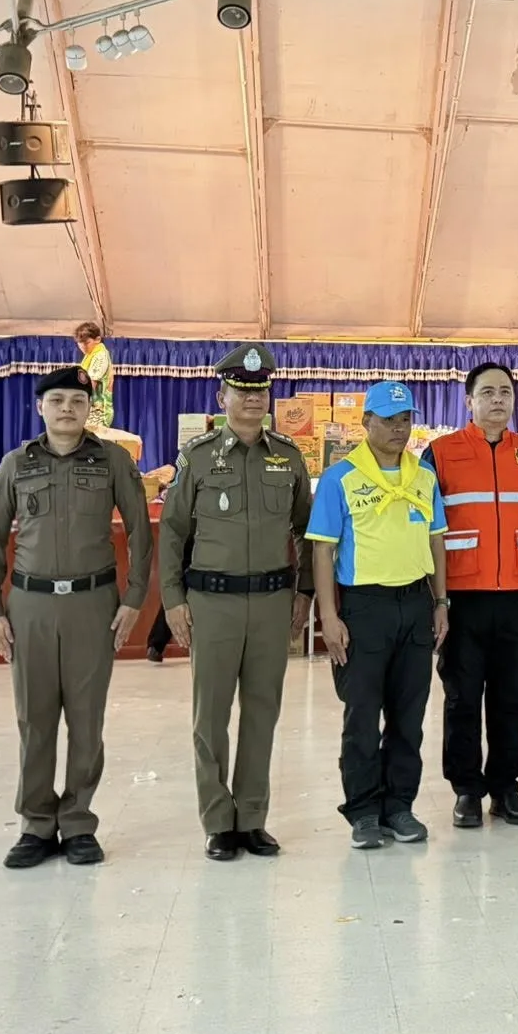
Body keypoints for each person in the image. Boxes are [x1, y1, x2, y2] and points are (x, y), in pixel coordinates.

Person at [0, 364, 153, 869]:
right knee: (34, 720)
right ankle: (36, 825)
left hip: (92, 605)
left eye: (77, 402)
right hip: (29, 605)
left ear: (89, 409)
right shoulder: (16, 464)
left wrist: (133, 598)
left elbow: (140, 532)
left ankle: (77, 822)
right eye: (57, 401)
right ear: (41, 408)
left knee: (86, 720)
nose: (67, 409)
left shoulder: (113, 461)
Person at [157, 343, 313, 862]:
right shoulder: (199, 457)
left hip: (271, 603)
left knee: (263, 712)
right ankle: (217, 821)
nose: (253, 399)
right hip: (213, 603)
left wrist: (304, 592)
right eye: (242, 390)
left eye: (261, 390)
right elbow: (173, 532)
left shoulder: (288, 457)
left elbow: (306, 530)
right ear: (221, 397)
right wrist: (173, 599)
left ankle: (251, 818)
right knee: (210, 717)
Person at [307, 381, 451, 850]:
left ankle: (399, 806)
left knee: (409, 716)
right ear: (366, 422)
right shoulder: (341, 478)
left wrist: (441, 602)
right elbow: (323, 551)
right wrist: (329, 616)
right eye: (388, 420)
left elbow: (436, 540)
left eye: (405, 419)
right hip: (363, 607)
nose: (398, 429)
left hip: (415, 603)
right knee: (363, 716)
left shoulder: (423, 476)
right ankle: (364, 811)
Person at [423, 362, 518, 829]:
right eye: (488, 392)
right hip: (462, 595)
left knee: (512, 695)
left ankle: (506, 787)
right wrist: (436, 597)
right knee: (462, 696)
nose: (498, 400)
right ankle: (467, 790)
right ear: (469, 401)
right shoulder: (441, 453)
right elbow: (427, 526)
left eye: (506, 392)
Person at [73, 321, 115, 432]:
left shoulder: (100, 356)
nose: (83, 347)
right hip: (90, 409)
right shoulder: (90, 356)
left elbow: (90, 384)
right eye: (80, 343)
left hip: (98, 411)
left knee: (90, 440)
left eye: (87, 343)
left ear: (97, 339)